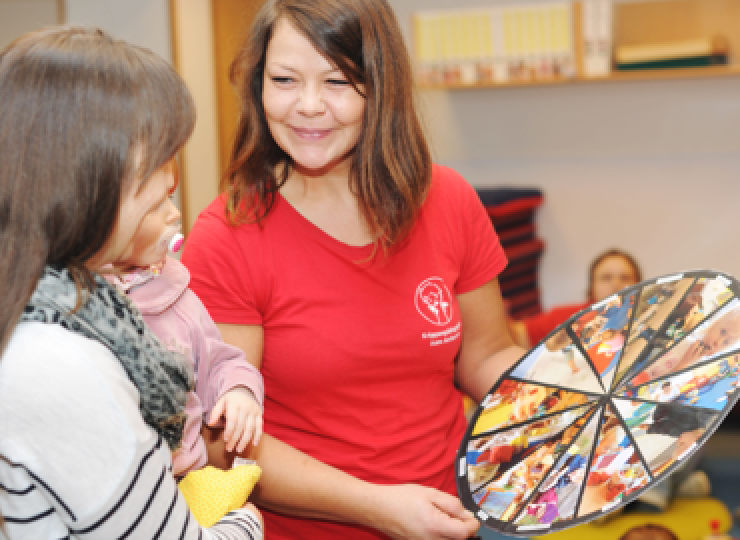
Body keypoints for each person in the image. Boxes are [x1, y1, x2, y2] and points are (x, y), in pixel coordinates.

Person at [180, 0, 525, 538]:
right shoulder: (227, 238)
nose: (308, 106)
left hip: (454, 516)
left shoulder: (449, 200)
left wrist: (568, 399)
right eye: (284, 80)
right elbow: (225, 441)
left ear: (380, 87)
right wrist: (377, 505)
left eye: (337, 82)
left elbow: (486, 356)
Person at [0, 26, 262, 539]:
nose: (169, 182)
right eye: (153, 159)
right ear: (83, 177)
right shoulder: (59, 362)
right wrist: (247, 523)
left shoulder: (57, 311)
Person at [105, 203, 265, 475]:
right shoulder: (72, 306)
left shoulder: (178, 297)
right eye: (154, 205)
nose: (175, 212)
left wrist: (238, 389)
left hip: (185, 477)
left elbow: (219, 362)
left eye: (169, 197)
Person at [510, 248, 642, 348]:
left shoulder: (645, 313)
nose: (616, 284)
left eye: (625, 277)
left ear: (639, 284)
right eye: (606, 277)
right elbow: (516, 335)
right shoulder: (566, 318)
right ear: (592, 286)